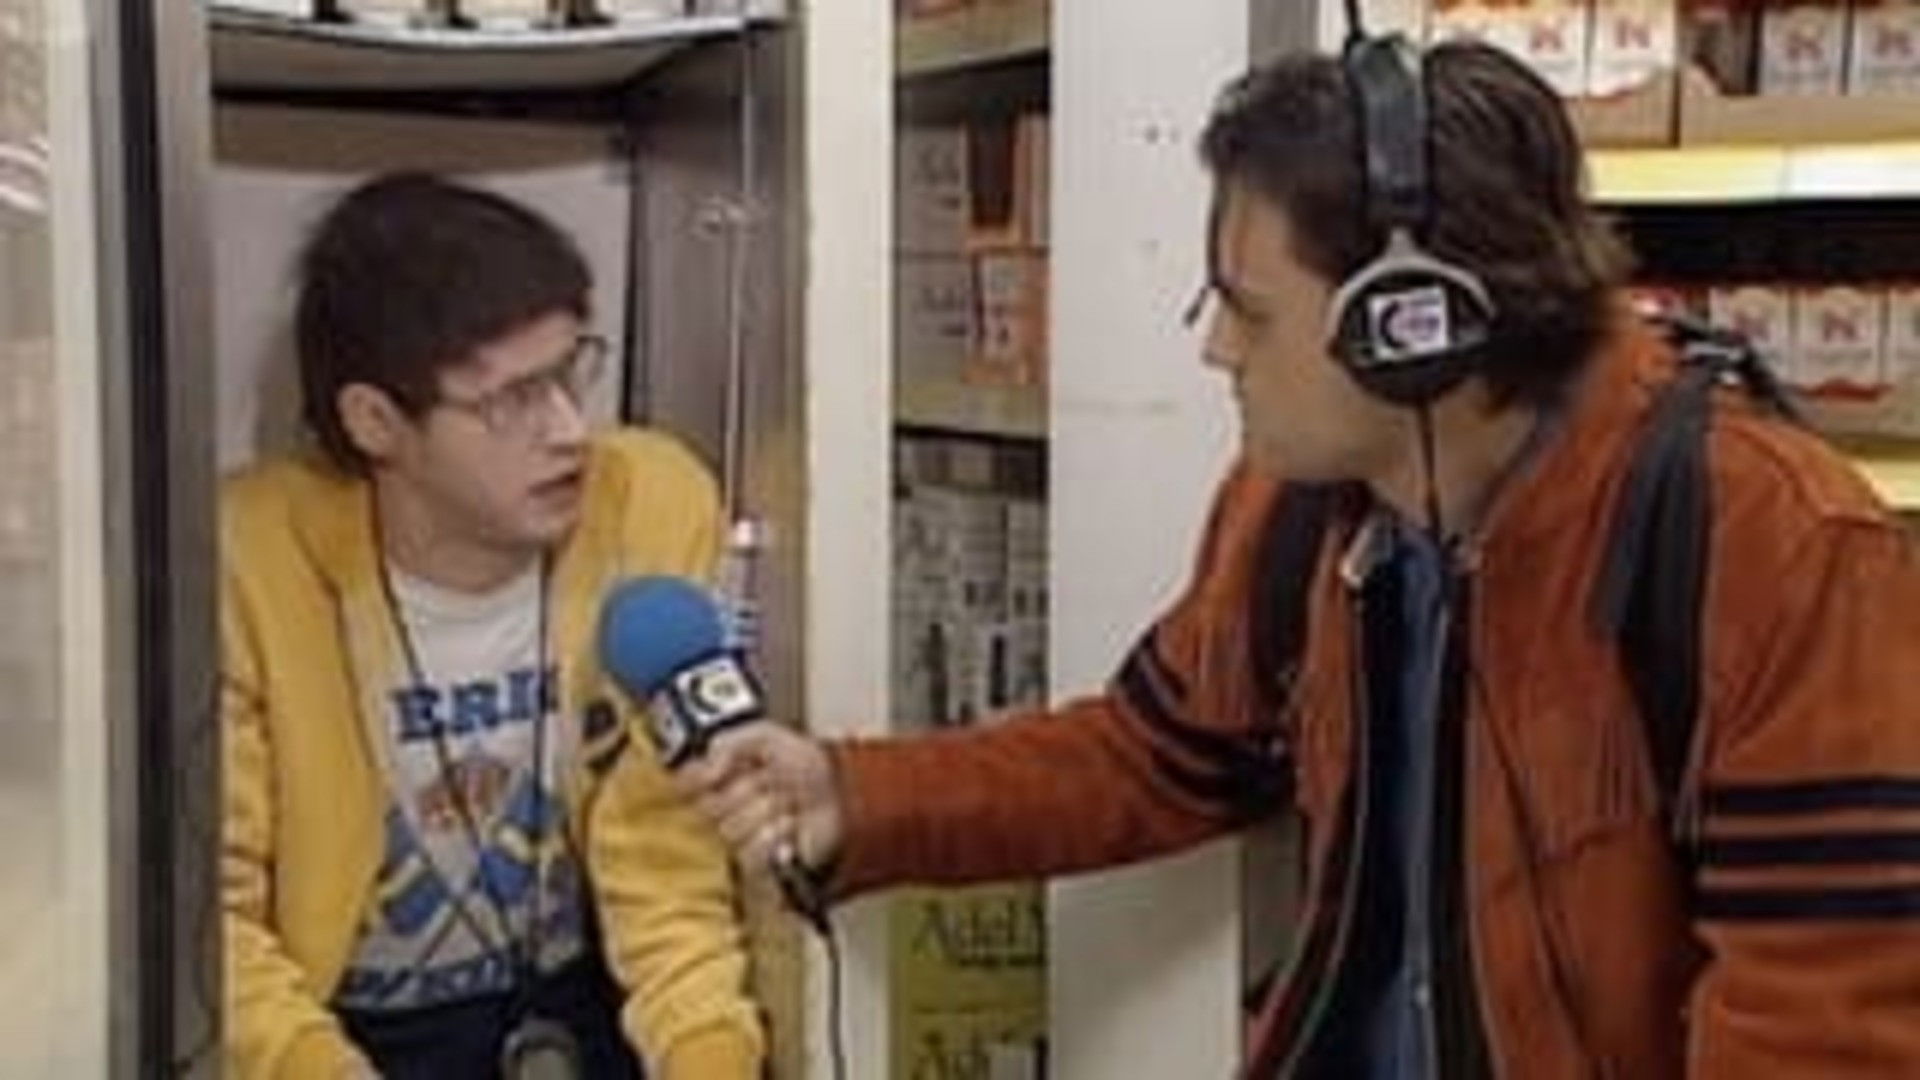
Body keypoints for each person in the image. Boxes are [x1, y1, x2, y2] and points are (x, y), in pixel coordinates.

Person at [680, 40, 1920, 1078]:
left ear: (1415, 328)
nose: (1217, 349)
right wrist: (859, 796)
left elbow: (1824, 1022)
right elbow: (1158, 750)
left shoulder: (1771, 544)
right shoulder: (1306, 505)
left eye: (1250, 310)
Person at [220, 174, 764, 1079]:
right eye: (511, 400)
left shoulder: (650, 505)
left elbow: (669, 866)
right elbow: (216, 927)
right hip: (338, 1035)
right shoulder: (251, 563)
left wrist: (712, 1056)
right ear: (376, 421)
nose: (569, 431)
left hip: (583, 1015)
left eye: (570, 372)